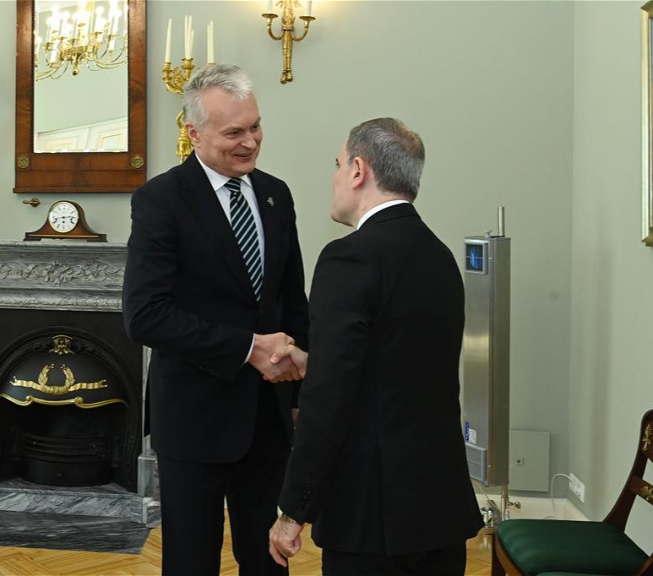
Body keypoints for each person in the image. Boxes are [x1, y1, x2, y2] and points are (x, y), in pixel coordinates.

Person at [268, 118, 484, 575]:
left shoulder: (349, 257)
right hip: (440, 505)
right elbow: (400, 363)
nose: (334, 176)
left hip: (372, 514)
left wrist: (292, 510)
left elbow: (328, 399)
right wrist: (315, 360)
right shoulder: (440, 256)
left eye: (337, 164)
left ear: (358, 170)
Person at [123, 64, 309, 576]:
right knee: (191, 561)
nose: (250, 142)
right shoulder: (160, 200)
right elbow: (146, 316)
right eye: (234, 132)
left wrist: (300, 393)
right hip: (194, 417)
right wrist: (248, 348)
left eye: (256, 126)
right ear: (193, 133)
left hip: (269, 416)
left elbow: (292, 301)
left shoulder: (276, 194)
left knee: (268, 560)